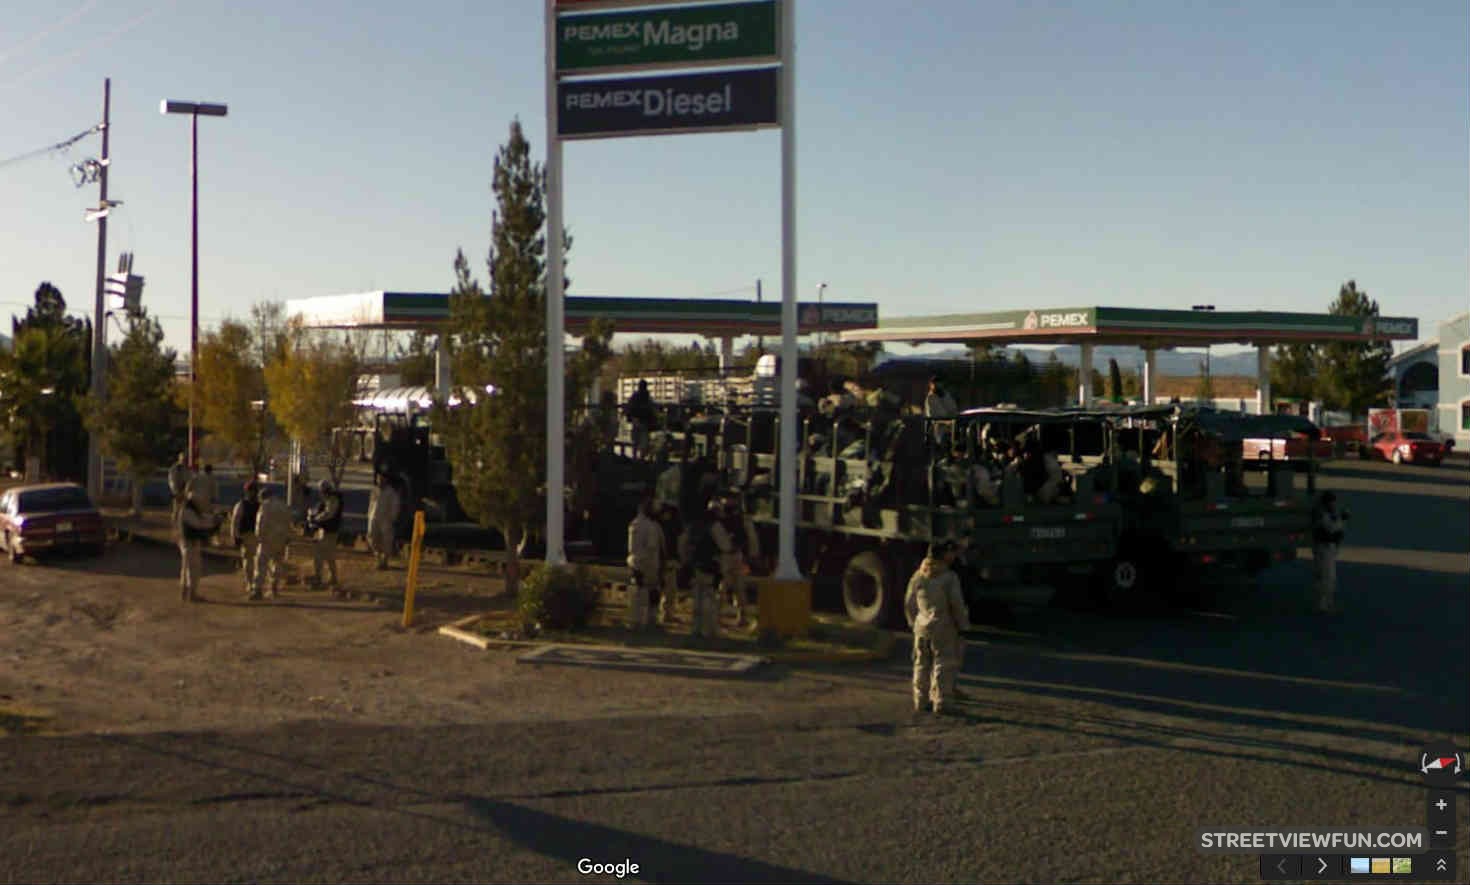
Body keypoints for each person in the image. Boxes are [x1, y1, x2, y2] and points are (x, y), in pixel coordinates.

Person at [904, 540, 970, 715]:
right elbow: (956, 604)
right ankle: (941, 702)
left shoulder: (918, 575)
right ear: (944, 555)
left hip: (921, 626)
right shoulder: (949, 578)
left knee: (921, 664)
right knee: (943, 664)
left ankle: (920, 700)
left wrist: (912, 622)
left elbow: (909, 602)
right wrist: (963, 625)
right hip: (943, 627)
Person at [678, 500, 721, 640]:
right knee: (709, 600)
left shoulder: (692, 527)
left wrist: (685, 562)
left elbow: (682, 545)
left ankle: (695, 630)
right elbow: (725, 545)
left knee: (697, 600)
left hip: (695, 568)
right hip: (709, 567)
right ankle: (709, 630)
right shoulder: (715, 527)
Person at [176, 479, 220, 603]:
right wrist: (213, 522)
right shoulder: (188, 510)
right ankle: (192, 594)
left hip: (189, 541)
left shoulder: (189, 509)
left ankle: (186, 593)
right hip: (189, 542)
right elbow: (198, 524)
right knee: (193, 569)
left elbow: (201, 519)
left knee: (187, 568)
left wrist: (213, 519)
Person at [626, 498, 663, 630]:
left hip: (634, 561)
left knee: (635, 593)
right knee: (651, 594)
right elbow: (652, 548)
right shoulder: (651, 527)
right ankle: (650, 621)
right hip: (648, 564)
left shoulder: (634, 524)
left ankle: (634, 621)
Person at [306, 479, 344, 595]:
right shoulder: (328, 500)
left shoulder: (333, 500)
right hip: (325, 531)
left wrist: (315, 518)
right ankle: (326, 577)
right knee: (324, 555)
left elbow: (328, 514)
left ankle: (325, 577)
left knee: (324, 555)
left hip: (330, 532)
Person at [1312, 491, 1347, 614]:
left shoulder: (1327, 514)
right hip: (1324, 548)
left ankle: (1325, 603)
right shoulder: (1322, 514)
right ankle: (1323, 605)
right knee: (1327, 577)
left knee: (1326, 577)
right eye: (1332, 502)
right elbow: (1331, 528)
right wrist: (1341, 519)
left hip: (1327, 548)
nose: (1334, 504)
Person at [253, 486, 291, 599]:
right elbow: (288, 522)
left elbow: (260, 521)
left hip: (267, 539)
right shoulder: (284, 506)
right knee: (277, 564)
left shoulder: (265, 505)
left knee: (261, 565)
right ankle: (274, 588)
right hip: (281, 539)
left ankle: (257, 590)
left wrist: (258, 536)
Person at [230, 480, 262, 599]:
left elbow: (235, 521)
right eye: (251, 490)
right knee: (250, 561)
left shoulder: (246, 505)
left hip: (254, 536)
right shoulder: (243, 505)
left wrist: (235, 536)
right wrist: (235, 536)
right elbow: (235, 522)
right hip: (248, 536)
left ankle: (253, 584)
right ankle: (251, 583)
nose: (253, 493)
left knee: (253, 561)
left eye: (254, 490)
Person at [367, 471, 402, 570]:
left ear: (386, 480)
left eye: (382, 479)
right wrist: (369, 515)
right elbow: (371, 503)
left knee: (387, 540)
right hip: (373, 517)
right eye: (378, 478)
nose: (380, 481)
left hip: (386, 519)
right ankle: (378, 560)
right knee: (372, 537)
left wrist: (392, 518)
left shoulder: (391, 492)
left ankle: (385, 562)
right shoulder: (374, 490)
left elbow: (395, 506)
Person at [625, 380, 656, 460]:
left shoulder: (635, 396)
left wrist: (630, 418)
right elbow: (651, 409)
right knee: (643, 441)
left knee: (636, 441)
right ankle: (641, 458)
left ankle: (635, 457)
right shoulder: (647, 396)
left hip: (636, 420)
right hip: (644, 421)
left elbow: (629, 408)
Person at [167, 453, 192, 527]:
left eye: (185, 459)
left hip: (184, 490)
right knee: (176, 508)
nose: (184, 461)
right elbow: (171, 480)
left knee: (184, 508)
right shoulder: (174, 468)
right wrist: (175, 491)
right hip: (177, 490)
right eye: (183, 459)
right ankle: (174, 524)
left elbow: (189, 479)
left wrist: (186, 490)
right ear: (179, 459)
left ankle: (182, 524)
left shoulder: (187, 468)